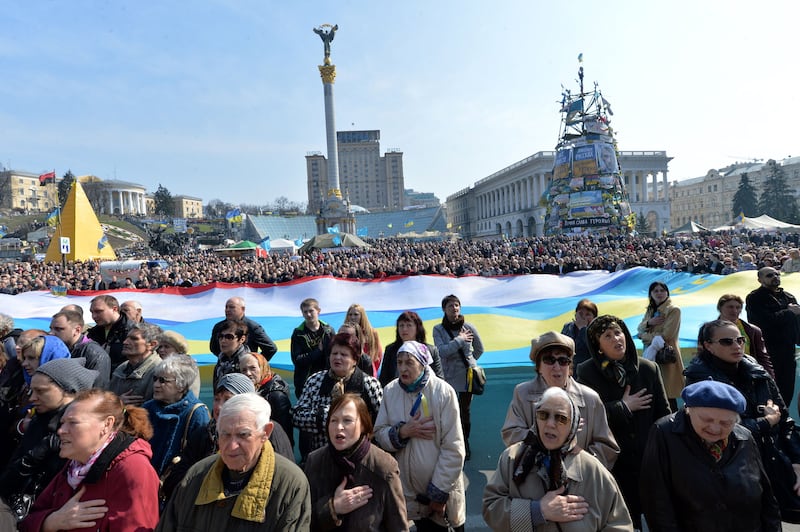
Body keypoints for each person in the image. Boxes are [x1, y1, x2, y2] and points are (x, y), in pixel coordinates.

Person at [684, 319, 800, 523]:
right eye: (727, 341)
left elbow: (785, 422)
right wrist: (765, 422)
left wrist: (797, 460)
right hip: (730, 471)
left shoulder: (758, 372)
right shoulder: (700, 380)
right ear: (708, 345)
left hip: (772, 463)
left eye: (740, 340)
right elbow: (719, 431)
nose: (737, 346)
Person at [483, 387, 632, 531]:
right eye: (543, 415)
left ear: (573, 425)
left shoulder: (593, 471)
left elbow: (620, 525)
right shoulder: (512, 459)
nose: (550, 424)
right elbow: (491, 509)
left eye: (561, 418)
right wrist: (538, 511)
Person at [157, 393, 312, 531]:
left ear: (266, 432)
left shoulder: (289, 484)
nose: (231, 446)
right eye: (225, 435)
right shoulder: (196, 476)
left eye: (243, 435)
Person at [640, 380, 781, 531]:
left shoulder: (744, 437)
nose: (715, 428)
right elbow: (657, 502)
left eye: (725, 423)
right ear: (689, 410)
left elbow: (767, 500)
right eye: (706, 420)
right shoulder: (664, 433)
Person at [20, 389, 159, 532]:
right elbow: (29, 521)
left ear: (106, 425)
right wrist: (51, 522)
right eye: (62, 423)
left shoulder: (133, 469)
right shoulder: (75, 464)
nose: (61, 431)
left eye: (73, 423)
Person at [577, 315, 670, 529]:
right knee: (624, 522)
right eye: (607, 336)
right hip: (613, 465)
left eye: (618, 333)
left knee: (662, 517)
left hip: (650, 462)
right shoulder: (587, 373)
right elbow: (588, 419)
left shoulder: (648, 369)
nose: (616, 339)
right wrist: (623, 407)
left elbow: (664, 414)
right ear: (598, 346)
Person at [158, 373, 294, 504]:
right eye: (217, 399)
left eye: (228, 400)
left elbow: (284, 482)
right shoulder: (204, 433)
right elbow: (176, 481)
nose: (219, 407)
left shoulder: (269, 431)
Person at [374, 340, 466, 532]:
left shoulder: (443, 392)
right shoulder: (390, 391)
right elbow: (379, 432)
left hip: (441, 498)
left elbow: (454, 448)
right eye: (399, 363)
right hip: (406, 495)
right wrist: (402, 432)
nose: (403, 368)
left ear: (423, 363)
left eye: (409, 362)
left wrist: (438, 493)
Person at [0, 358, 98, 527]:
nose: (32, 398)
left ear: (70, 391)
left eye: (41, 391)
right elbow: (8, 479)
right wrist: (34, 456)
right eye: (31, 391)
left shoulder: (85, 436)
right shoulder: (39, 422)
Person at [500, 331, 619, 469]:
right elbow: (510, 434)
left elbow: (607, 447)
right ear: (538, 367)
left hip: (577, 480)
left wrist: (580, 463)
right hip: (533, 474)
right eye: (549, 360)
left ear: (570, 368)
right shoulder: (523, 393)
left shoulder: (590, 399)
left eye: (563, 361)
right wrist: (540, 431)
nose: (557, 367)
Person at [305, 393, 408, 531]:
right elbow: (303, 520)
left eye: (347, 420)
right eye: (333, 420)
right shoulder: (315, 461)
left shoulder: (383, 467)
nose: (339, 427)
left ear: (363, 425)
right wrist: (333, 508)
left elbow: (398, 527)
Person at [293, 332, 383, 461]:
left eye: (344, 355)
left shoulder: (369, 384)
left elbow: (381, 421)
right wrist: (326, 417)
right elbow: (297, 416)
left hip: (361, 457)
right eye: (334, 354)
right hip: (322, 457)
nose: (337, 358)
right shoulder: (315, 381)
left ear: (355, 360)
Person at [432, 294, 484, 461]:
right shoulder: (438, 329)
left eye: (456, 305)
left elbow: (479, 349)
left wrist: (470, 361)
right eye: (450, 306)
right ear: (444, 310)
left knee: (464, 411)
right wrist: (459, 341)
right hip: (448, 378)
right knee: (449, 412)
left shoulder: (469, 327)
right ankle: (449, 442)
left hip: (467, 377)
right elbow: (441, 352)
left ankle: (464, 443)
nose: (454, 308)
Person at [143, 355, 210, 477]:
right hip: (145, 478)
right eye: (155, 379)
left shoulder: (197, 413)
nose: (156, 384)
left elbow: (200, 458)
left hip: (174, 484)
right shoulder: (147, 408)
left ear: (181, 385)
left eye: (163, 380)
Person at [746, 266, 800, 405]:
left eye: (777, 274)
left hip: (788, 349)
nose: (775, 277)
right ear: (760, 279)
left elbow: (796, 321)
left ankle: (784, 421)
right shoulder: (755, 298)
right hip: (768, 350)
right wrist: (787, 312)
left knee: (787, 389)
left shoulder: (787, 296)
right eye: (770, 275)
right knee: (771, 390)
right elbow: (761, 323)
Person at [637, 281, 684, 412]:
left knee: (668, 394)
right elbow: (640, 328)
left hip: (666, 355)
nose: (659, 293)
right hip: (651, 353)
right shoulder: (651, 310)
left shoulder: (673, 310)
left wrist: (644, 336)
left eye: (662, 290)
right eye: (655, 291)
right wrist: (649, 322)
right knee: (655, 392)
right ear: (650, 294)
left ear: (667, 292)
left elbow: (667, 335)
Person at [239, 350, 294, 449]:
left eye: (253, 368)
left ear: (262, 368)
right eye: (243, 370)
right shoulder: (247, 391)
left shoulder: (277, 395)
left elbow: (284, 433)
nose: (248, 373)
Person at [716, 293, 776, 379]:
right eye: (730, 307)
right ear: (720, 308)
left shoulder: (753, 330)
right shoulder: (708, 330)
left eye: (738, 307)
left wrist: (770, 378)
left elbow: (763, 358)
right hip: (719, 374)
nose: (734, 310)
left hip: (747, 374)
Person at [380, 311, 444, 387]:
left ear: (417, 328)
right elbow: (383, 379)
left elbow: (439, 379)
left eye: (409, 325)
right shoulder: (390, 350)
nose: (404, 329)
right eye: (401, 325)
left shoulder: (431, 350)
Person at [50, 309, 111, 388]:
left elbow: (97, 390)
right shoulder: (57, 349)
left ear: (77, 330)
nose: (51, 333)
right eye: (51, 328)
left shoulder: (95, 354)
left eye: (59, 329)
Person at [291, 297, 335, 398]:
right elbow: (297, 360)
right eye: (305, 312)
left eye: (311, 311)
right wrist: (317, 351)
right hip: (305, 381)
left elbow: (334, 353)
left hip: (326, 378)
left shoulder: (328, 330)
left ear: (318, 311)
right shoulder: (298, 333)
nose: (308, 314)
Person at [109, 323, 163, 406]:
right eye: (127, 338)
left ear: (152, 345)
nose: (125, 342)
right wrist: (117, 403)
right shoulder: (121, 368)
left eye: (134, 339)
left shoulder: (160, 371)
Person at [209, 297, 277, 360]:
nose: (227, 310)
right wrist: (226, 359)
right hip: (224, 368)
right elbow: (213, 348)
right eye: (226, 307)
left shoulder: (252, 327)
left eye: (232, 307)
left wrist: (255, 362)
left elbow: (270, 348)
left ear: (243, 309)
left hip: (245, 370)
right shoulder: (218, 326)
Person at [87, 295, 134, 372]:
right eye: (92, 312)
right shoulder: (93, 332)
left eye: (99, 311)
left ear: (114, 309)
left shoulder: (132, 331)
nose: (94, 316)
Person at [155, 330, 200, 397]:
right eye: (160, 347)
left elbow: (192, 393)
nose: (161, 350)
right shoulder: (160, 365)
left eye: (166, 347)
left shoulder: (187, 366)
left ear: (178, 349)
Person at [345, 303, 383, 377]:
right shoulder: (344, 332)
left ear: (362, 316)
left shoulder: (372, 333)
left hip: (368, 371)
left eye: (356, 314)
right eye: (350, 314)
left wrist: (371, 369)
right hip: (348, 371)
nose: (352, 317)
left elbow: (378, 355)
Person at [212, 318, 250, 389]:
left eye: (229, 337)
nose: (223, 341)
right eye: (220, 336)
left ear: (242, 339)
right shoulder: (221, 361)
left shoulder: (248, 362)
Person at [560, 298, 596, 367]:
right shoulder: (567, 327)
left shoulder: (597, 331)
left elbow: (592, 348)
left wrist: (582, 328)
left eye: (588, 314)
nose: (583, 317)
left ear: (594, 317)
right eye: (581, 314)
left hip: (587, 370)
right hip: (569, 369)